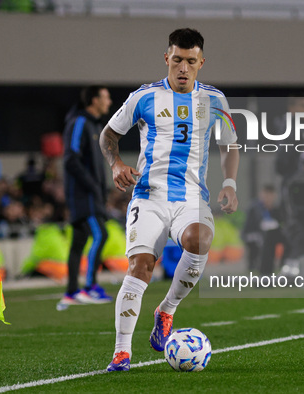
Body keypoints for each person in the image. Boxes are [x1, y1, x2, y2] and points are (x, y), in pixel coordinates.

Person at [100, 28, 239, 371]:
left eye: (191, 62)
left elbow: (229, 144)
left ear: (201, 63)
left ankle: (167, 309)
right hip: (148, 197)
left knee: (200, 239)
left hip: (191, 197)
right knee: (140, 267)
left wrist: (230, 182)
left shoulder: (215, 100)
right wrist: (116, 163)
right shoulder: (143, 97)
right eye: (177, 59)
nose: (183, 68)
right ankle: (122, 351)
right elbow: (108, 135)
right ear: (167, 58)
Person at [57, 86, 114, 310]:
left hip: (90, 194)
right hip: (84, 195)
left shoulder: (94, 125)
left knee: (79, 242)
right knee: (101, 234)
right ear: (93, 100)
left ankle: (71, 291)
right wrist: (92, 186)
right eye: (105, 97)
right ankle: (90, 286)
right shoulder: (79, 122)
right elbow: (71, 158)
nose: (109, 102)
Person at [241, 184, 282, 275]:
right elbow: (252, 226)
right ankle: (255, 267)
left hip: (269, 233)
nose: (268, 198)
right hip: (254, 234)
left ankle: (274, 266)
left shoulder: (274, 209)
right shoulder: (255, 208)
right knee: (261, 241)